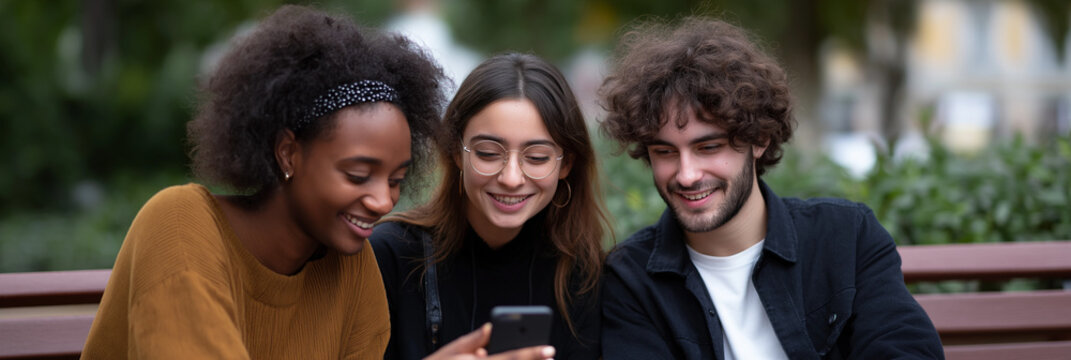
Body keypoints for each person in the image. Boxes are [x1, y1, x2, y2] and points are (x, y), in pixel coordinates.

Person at [82, 6, 549, 360]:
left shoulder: (353, 267)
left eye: (398, 179)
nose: (383, 201)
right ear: (288, 152)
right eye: (358, 174)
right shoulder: (181, 225)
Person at [597, 17, 944, 359]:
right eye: (665, 152)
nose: (686, 175)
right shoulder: (632, 278)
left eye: (708, 148)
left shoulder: (846, 238)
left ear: (758, 139)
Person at [371, 52, 610, 359]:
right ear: (457, 151)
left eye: (537, 157)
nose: (511, 178)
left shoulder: (583, 276)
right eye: (488, 153)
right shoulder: (389, 256)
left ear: (566, 165)